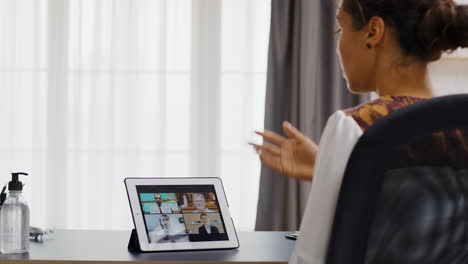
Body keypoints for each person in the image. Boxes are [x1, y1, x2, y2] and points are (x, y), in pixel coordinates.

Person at [250, 0, 468, 263]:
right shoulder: (459, 127)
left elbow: (310, 259)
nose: (338, 46)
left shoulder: (355, 126)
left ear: (373, 32)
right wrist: (327, 168)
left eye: (340, 30)